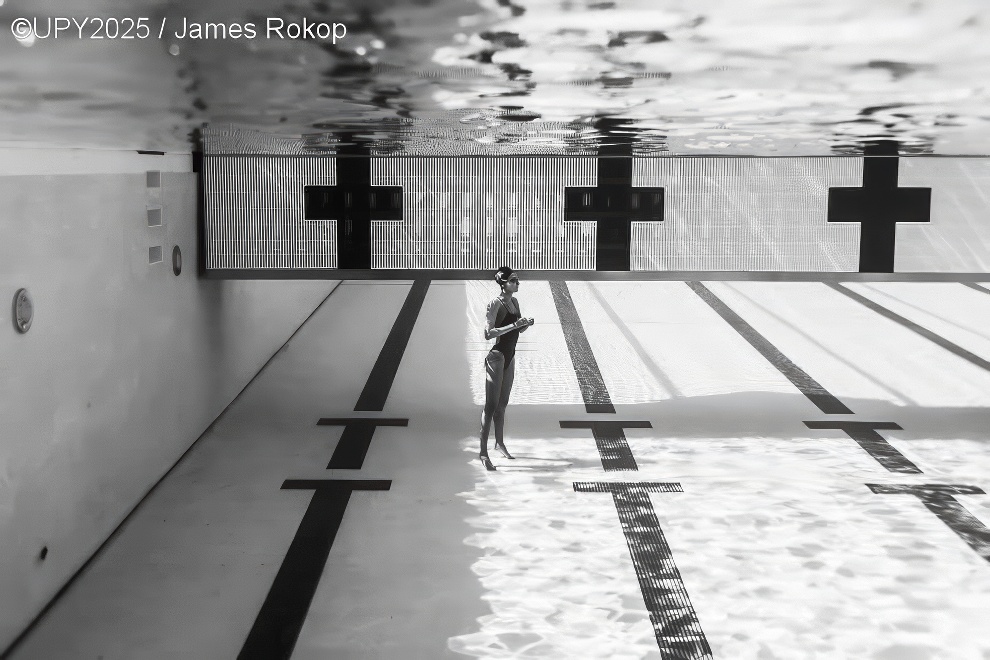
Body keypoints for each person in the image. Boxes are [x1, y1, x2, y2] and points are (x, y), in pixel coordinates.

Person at [479, 267, 534, 471]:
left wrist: (524, 324)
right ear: (503, 283)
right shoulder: (496, 303)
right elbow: (488, 333)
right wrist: (514, 325)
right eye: (513, 280)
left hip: (509, 357)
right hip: (497, 357)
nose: (517, 284)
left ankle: (499, 443)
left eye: (518, 281)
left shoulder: (515, 302)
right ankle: (483, 453)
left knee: (502, 405)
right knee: (491, 406)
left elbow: (515, 328)